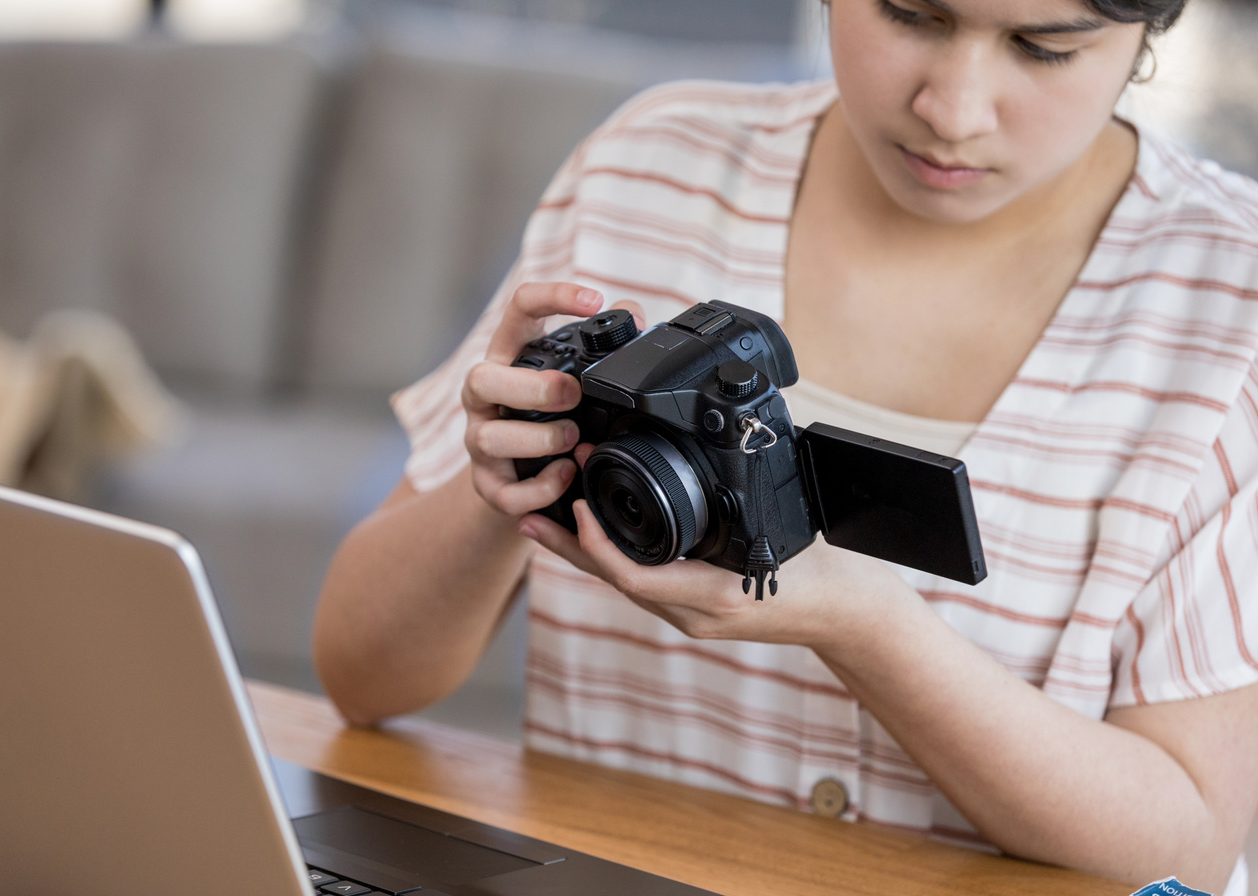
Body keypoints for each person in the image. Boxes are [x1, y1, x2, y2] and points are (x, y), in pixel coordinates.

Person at [313, 0, 1258, 891]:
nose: (954, 110)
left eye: (1045, 46)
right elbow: (360, 675)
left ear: (1146, 37)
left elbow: (1183, 858)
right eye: (910, 14)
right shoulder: (654, 167)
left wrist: (866, 629)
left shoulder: (1230, 302)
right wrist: (505, 480)